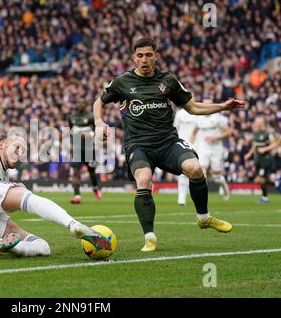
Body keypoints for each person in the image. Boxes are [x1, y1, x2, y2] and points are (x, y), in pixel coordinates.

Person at [93, 37, 245, 252]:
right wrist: (99, 122)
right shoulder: (121, 82)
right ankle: (150, 237)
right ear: (133, 58)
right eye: (140, 55)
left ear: (156, 56)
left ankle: (203, 218)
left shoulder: (169, 81)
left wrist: (223, 106)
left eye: (148, 55)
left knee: (195, 168)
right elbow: (99, 102)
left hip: (167, 142)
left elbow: (192, 107)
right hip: (138, 145)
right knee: (144, 179)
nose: (144, 59)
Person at [190, 110, 232, 201]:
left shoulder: (218, 118)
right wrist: (190, 145)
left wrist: (215, 137)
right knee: (201, 171)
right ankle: (202, 196)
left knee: (216, 177)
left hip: (216, 149)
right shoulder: (198, 118)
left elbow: (228, 133)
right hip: (203, 148)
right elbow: (193, 132)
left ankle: (224, 186)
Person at [68, 101, 102, 204]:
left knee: (91, 171)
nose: (80, 105)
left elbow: (97, 130)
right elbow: (71, 131)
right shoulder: (71, 117)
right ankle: (77, 195)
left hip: (89, 149)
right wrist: (71, 144)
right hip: (77, 149)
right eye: (78, 103)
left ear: (86, 105)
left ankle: (95, 188)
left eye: (82, 103)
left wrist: (90, 135)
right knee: (76, 172)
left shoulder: (91, 116)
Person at [244, 117, 276, 203]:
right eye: (256, 122)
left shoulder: (267, 133)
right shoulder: (255, 133)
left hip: (266, 159)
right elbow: (255, 145)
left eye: (258, 122)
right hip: (258, 159)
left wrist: (265, 149)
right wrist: (249, 154)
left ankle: (266, 196)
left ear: (262, 123)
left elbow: (275, 144)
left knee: (260, 179)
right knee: (259, 179)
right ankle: (273, 186)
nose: (256, 124)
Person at [173, 107, 197, 205]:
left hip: (196, 145)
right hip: (182, 145)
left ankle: (194, 196)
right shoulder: (179, 114)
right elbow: (175, 128)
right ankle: (181, 198)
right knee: (183, 173)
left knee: (197, 172)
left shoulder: (196, 113)